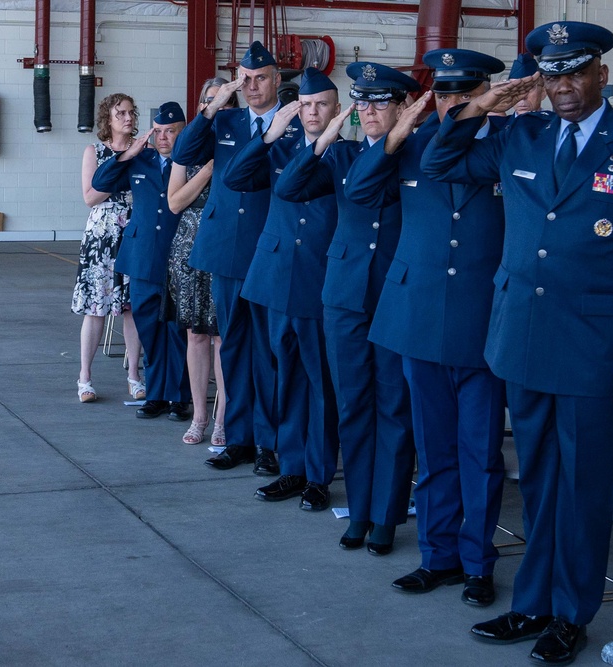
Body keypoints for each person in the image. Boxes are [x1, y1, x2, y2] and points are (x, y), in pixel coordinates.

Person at [422, 21, 613, 663]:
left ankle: (571, 611)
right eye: (553, 74)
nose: (564, 86)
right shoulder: (522, 136)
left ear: (602, 76)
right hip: (523, 340)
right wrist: (485, 104)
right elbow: (438, 160)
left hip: (596, 350)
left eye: (575, 72)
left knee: (584, 485)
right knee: (535, 479)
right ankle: (532, 601)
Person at [346, 48, 509, 604]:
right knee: (433, 448)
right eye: (444, 93)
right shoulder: (410, 146)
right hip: (417, 319)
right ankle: (437, 556)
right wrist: (398, 131)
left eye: (466, 93)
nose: (453, 103)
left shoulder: (508, 145)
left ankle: (477, 563)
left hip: (483, 322)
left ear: (485, 94)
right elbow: (360, 192)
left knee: (480, 454)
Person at [275, 62, 418, 553]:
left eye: (381, 102)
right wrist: (325, 136)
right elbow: (289, 187)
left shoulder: (417, 155)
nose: (370, 110)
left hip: (397, 297)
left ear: (402, 107)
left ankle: (386, 515)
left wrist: (402, 137)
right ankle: (360, 508)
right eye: (363, 101)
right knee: (354, 404)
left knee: (394, 408)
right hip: (345, 297)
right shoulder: (343, 156)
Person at [224, 68, 341, 512]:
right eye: (306, 105)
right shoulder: (282, 146)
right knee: (283, 378)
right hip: (275, 279)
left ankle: (317, 475)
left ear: (336, 110)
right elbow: (235, 177)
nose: (312, 112)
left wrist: (325, 141)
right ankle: (291, 468)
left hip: (316, 281)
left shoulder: (343, 153)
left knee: (319, 383)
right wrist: (269, 136)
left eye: (321, 105)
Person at [171, 41, 283, 475]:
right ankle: (238, 437)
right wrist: (213, 106)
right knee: (233, 347)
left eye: (261, 78)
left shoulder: (293, 123)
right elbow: (184, 153)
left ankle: (269, 441)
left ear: (276, 80)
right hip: (227, 250)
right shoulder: (228, 119)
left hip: (269, 247)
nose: (253, 86)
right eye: (246, 79)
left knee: (269, 352)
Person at [92, 102, 191, 423]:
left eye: (170, 131)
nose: (163, 138)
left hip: (177, 257)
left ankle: (178, 396)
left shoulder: (191, 162)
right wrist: (128, 153)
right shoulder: (141, 160)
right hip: (142, 256)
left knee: (176, 329)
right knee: (148, 326)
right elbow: (102, 181)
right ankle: (156, 393)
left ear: (183, 131)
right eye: (158, 131)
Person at [166, 77, 236, 446]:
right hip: (190, 249)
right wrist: (208, 170)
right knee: (196, 335)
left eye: (227, 101)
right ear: (202, 105)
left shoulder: (239, 141)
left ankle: (223, 419)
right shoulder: (188, 145)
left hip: (226, 246)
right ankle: (199, 415)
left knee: (224, 338)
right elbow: (175, 202)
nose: (220, 107)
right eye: (213, 100)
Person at [72, 92, 143, 403]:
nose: (128, 118)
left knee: (131, 308)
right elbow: (90, 196)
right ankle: (85, 377)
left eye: (130, 113)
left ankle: (134, 375)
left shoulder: (145, 149)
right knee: (95, 308)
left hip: (134, 232)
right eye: (121, 114)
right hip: (102, 235)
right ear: (108, 120)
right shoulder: (95, 152)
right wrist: (122, 162)